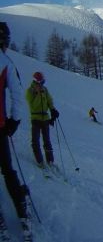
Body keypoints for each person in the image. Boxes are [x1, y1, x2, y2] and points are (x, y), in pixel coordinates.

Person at [0, 22, 30, 237]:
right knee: (8, 170)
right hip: (0, 127)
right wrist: (14, 121)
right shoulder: (6, 63)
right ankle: (21, 207)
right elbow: (18, 96)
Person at [26, 71, 59, 167]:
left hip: (45, 118)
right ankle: (40, 161)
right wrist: (37, 93)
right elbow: (32, 105)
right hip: (35, 118)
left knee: (47, 141)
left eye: (43, 82)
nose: (42, 84)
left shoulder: (45, 90)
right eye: (41, 82)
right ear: (36, 82)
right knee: (35, 141)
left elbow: (49, 100)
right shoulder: (30, 91)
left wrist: (53, 110)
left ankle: (50, 161)